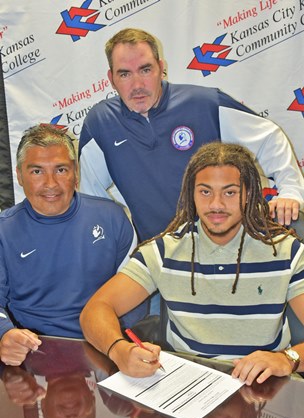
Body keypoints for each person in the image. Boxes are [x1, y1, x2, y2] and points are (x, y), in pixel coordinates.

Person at [80, 142, 304, 386]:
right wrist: (119, 350)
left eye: (229, 192)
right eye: (205, 192)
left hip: (262, 391)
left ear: (248, 193)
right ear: (191, 193)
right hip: (189, 389)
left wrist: (288, 358)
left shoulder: (285, 251)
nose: (216, 204)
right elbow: (95, 310)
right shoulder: (165, 250)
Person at [79, 28, 304, 244]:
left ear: (161, 67)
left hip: (233, 245)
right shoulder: (100, 124)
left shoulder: (204, 104)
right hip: (164, 260)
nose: (137, 85)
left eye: (145, 70)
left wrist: (291, 192)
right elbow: (93, 201)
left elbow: (270, 138)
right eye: (125, 74)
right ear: (111, 78)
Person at [0, 124, 136, 367]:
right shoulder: (3, 231)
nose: (51, 184)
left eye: (60, 170)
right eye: (37, 172)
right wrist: (4, 334)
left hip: (104, 348)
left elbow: (137, 295)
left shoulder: (113, 218)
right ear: (19, 175)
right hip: (31, 354)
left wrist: (116, 345)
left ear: (75, 173)